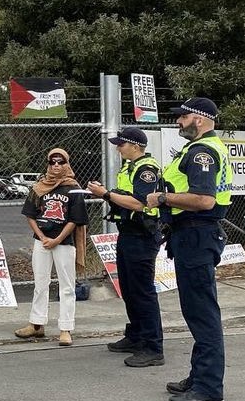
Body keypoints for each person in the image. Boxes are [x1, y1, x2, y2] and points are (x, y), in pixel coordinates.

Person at [145, 97, 233, 401]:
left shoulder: (202, 152)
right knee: (197, 310)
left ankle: (209, 389)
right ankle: (199, 377)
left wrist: (164, 199)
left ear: (198, 118)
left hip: (197, 235)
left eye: (182, 117)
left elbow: (205, 200)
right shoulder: (201, 148)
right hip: (193, 235)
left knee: (202, 313)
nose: (178, 122)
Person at [87, 127, 164, 367]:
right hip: (128, 233)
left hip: (142, 235)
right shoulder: (129, 167)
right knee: (129, 289)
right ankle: (136, 336)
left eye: (121, 144)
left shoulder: (146, 170)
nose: (118, 148)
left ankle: (153, 347)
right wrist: (109, 195)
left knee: (142, 291)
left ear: (135, 146)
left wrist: (107, 194)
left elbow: (140, 203)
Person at [15, 148, 87, 347]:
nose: (56, 166)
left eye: (60, 162)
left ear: (67, 164)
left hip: (63, 242)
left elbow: (75, 219)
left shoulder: (73, 187)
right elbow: (30, 214)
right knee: (40, 283)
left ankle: (65, 328)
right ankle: (37, 325)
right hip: (42, 241)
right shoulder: (39, 187)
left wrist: (56, 239)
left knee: (66, 286)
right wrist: (42, 236)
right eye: (52, 162)